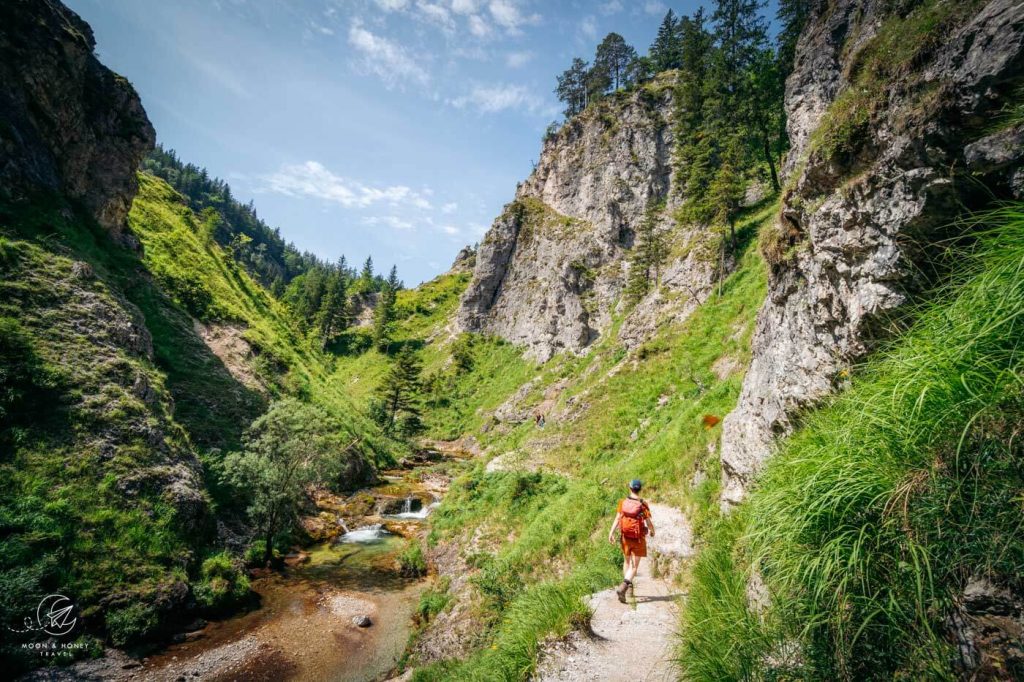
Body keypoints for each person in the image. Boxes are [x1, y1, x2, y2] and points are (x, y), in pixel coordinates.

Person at [607, 479, 654, 603]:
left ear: (630, 488)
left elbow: (617, 519)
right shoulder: (643, 505)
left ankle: (628, 588)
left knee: (626, 562)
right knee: (634, 567)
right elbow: (648, 522)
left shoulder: (623, 502)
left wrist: (611, 532)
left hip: (625, 537)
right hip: (638, 539)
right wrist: (652, 531)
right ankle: (624, 586)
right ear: (640, 489)